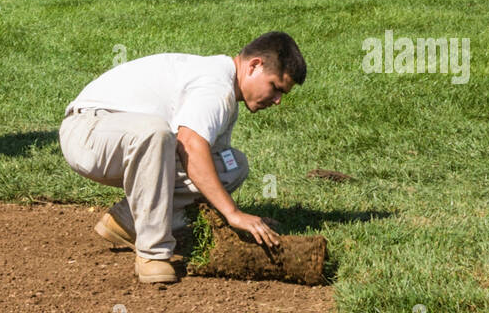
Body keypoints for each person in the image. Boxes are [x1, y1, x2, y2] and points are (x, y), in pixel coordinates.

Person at [59, 31, 306, 284]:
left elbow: (200, 161)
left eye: (282, 94)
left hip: (122, 139)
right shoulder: (216, 86)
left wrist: (231, 219)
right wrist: (233, 213)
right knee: (155, 132)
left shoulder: (225, 91)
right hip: (88, 132)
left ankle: (126, 220)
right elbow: (190, 143)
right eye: (275, 87)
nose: (277, 100)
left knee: (232, 164)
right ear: (254, 65)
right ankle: (152, 253)